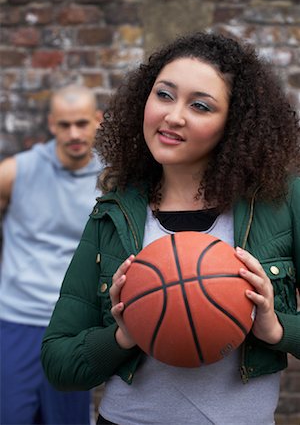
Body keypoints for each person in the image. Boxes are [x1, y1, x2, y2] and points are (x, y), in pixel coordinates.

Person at [41, 33, 300, 425]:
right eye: (164, 95)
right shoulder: (112, 214)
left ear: (235, 123)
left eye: (200, 105)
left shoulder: (279, 201)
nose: (173, 116)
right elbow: (58, 363)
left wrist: (276, 327)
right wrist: (122, 336)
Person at [0, 84, 103, 425]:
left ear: (97, 121)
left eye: (82, 123)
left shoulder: (112, 180)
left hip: (72, 326)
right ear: (51, 124)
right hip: (18, 318)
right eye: (65, 125)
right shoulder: (16, 173)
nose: (74, 133)